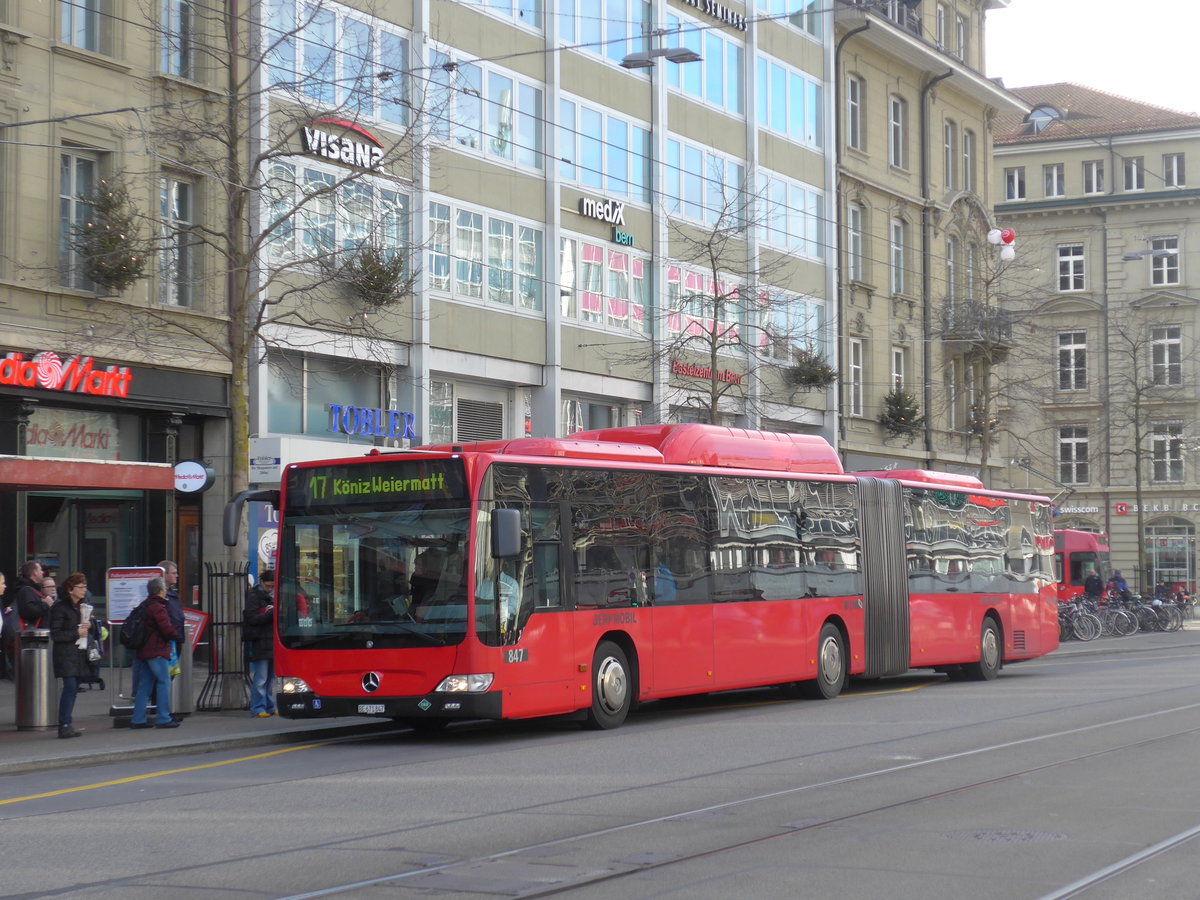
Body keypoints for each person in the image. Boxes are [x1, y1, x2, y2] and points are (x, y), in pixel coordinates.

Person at [130, 576, 182, 730]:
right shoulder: (158, 607)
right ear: (160, 591)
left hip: (144, 650)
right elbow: (166, 629)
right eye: (165, 589)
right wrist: (176, 635)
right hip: (156, 651)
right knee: (163, 682)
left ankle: (138, 719)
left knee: (144, 685)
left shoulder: (144, 605)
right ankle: (163, 717)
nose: (166, 592)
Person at [48, 573, 92, 739]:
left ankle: (67, 723)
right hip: (65, 654)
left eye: (85, 587)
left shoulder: (83, 606)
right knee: (70, 687)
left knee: (73, 688)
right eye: (80, 587)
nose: (84, 590)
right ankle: (64, 724)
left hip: (79, 653)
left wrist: (90, 625)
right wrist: (76, 632)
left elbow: (90, 629)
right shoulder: (60, 608)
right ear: (70, 589)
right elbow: (56, 634)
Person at [243, 569, 277, 717]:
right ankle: (258, 707)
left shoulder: (273, 595)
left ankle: (269, 705)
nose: (270, 589)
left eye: (272, 586)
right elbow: (251, 618)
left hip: (271, 640)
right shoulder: (253, 595)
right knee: (261, 677)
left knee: (270, 677)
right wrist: (269, 613)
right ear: (262, 582)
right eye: (269, 586)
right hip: (260, 640)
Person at [15, 560, 50, 628]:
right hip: (32, 633)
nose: (42, 572)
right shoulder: (26, 590)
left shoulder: (31, 589)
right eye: (40, 570)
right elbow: (29, 611)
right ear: (35, 572)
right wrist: (46, 604)